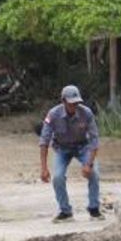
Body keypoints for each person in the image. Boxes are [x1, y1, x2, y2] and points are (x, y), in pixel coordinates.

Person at [39, 85, 102, 222]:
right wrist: (44, 168)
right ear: (63, 101)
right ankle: (65, 211)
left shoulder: (87, 113)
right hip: (62, 149)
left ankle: (94, 208)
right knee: (57, 177)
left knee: (94, 173)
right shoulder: (53, 114)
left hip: (83, 147)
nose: (74, 106)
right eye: (71, 103)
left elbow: (94, 140)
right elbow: (44, 141)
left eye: (77, 103)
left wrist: (89, 164)